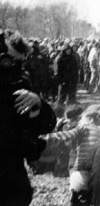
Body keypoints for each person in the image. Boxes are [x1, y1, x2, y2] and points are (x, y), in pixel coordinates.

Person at [0, 29, 56, 206]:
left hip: (11, 178)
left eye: (19, 63)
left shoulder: (19, 85)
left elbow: (47, 125)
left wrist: (38, 104)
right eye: (8, 61)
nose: (14, 68)